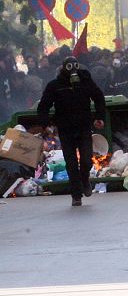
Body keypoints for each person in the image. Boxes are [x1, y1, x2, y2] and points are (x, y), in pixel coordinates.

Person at [37, 57, 106, 207]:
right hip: (65, 129)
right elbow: (43, 106)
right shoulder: (55, 86)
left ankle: (85, 179)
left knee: (87, 159)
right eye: (69, 67)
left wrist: (99, 117)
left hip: (84, 127)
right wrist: (46, 124)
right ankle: (76, 195)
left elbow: (99, 97)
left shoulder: (86, 82)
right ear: (63, 68)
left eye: (75, 66)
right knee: (71, 163)